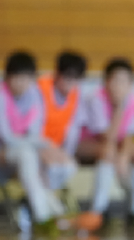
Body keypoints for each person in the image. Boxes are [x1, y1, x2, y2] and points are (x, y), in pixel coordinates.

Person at [0, 51, 64, 233]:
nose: (21, 83)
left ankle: (49, 211)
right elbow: (6, 137)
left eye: (26, 78)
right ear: (7, 77)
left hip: (15, 149)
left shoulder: (34, 94)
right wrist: (38, 144)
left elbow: (35, 132)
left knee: (47, 160)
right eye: (17, 77)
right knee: (28, 156)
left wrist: (46, 147)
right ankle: (43, 215)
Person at [75, 58, 134, 231]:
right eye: (115, 80)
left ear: (131, 84)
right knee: (108, 152)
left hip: (114, 144)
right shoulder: (96, 99)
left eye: (124, 81)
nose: (119, 85)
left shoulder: (133, 100)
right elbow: (107, 136)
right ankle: (97, 210)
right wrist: (118, 110)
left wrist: (124, 157)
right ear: (106, 81)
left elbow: (131, 134)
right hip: (89, 143)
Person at [37, 51, 88, 197]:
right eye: (68, 77)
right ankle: (41, 204)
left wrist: (65, 154)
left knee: (69, 167)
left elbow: (73, 129)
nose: (71, 83)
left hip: (56, 147)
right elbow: (32, 127)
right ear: (57, 74)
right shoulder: (40, 89)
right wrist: (48, 149)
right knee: (51, 168)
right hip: (37, 144)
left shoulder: (76, 93)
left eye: (76, 79)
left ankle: (42, 201)